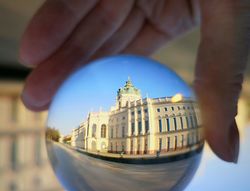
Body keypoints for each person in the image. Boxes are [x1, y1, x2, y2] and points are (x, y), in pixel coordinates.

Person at [19, 0, 250, 163]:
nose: (125, 102)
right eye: (124, 99)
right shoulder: (112, 116)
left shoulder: (141, 114)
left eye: (127, 99)